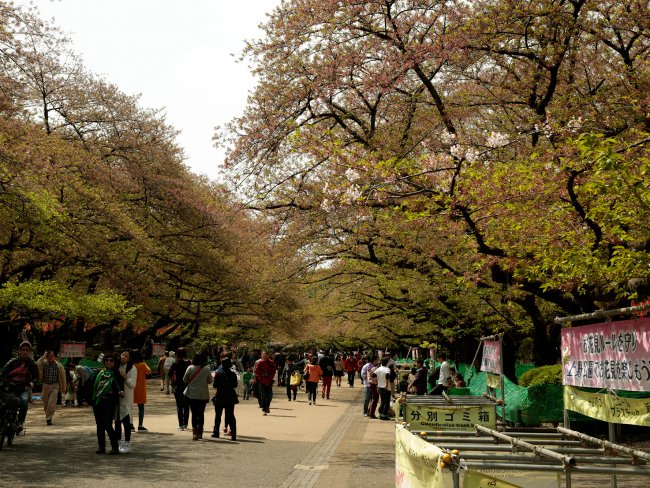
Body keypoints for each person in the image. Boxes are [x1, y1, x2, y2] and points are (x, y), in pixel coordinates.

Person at [0, 340, 39, 431]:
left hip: (23, 388)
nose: (25, 351)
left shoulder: (32, 364)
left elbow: (36, 378)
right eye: (23, 349)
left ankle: (20, 422)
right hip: (10, 388)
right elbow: (3, 372)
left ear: (30, 352)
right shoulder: (12, 362)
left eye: (27, 350)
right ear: (19, 351)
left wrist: (32, 383)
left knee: (24, 401)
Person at [91, 354, 120, 454]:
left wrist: (119, 392)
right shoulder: (99, 372)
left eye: (111, 360)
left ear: (114, 363)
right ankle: (101, 446)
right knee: (99, 425)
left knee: (108, 425)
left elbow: (120, 387)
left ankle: (115, 446)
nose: (108, 362)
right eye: (107, 360)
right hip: (98, 401)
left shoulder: (117, 373)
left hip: (110, 401)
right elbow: (92, 386)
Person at [183, 352, 211, 440]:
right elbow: (210, 381)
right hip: (203, 395)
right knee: (201, 413)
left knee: (194, 413)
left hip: (192, 394)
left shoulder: (190, 368)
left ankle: (194, 432)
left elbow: (185, 380)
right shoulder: (206, 369)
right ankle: (200, 432)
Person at [211, 356, 239, 441]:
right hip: (230, 395)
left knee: (218, 415)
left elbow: (214, 385)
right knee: (230, 415)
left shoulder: (218, 374)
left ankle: (216, 432)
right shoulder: (233, 374)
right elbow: (235, 385)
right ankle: (233, 433)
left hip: (220, 395)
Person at [114, 350, 136, 453]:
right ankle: (118, 442)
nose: (123, 357)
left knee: (127, 423)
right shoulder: (116, 366)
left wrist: (126, 377)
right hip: (117, 399)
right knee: (117, 421)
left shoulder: (132, 368)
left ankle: (127, 443)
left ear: (130, 359)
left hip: (126, 399)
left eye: (126, 356)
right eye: (122, 354)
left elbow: (132, 385)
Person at [37, 350, 66, 426]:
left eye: (52, 356)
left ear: (54, 356)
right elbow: (38, 363)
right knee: (46, 404)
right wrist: (43, 356)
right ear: (47, 357)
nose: (50, 358)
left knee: (52, 403)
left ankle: (49, 419)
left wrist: (64, 387)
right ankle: (48, 416)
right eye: (48, 356)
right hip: (45, 385)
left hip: (55, 386)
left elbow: (63, 377)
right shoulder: (44, 364)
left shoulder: (59, 366)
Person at [168, 347, 190, 430]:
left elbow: (170, 374)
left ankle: (181, 424)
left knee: (179, 405)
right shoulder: (189, 363)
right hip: (187, 386)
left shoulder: (175, 363)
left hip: (177, 386)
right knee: (186, 405)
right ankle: (185, 423)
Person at [132, 349, 151, 431]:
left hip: (131, 388)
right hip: (140, 388)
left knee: (129, 408)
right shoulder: (142, 364)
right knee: (141, 407)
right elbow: (149, 371)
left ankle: (130, 425)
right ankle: (140, 425)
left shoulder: (131, 365)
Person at [254, 351, 276, 415]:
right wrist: (260, 377)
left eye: (266, 354)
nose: (265, 356)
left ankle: (267, 406)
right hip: (262, 381)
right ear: (262, 356)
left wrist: (270, 377)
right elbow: (256, 371)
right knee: (263, 395)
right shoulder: (259, 363)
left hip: (269, 381)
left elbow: (273, 371)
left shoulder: (271, 363)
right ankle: (264, 409)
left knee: (269, 395)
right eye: (263, 355)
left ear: (268, 355)